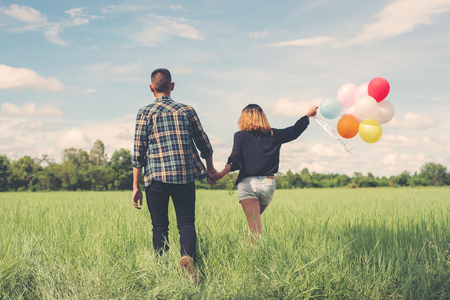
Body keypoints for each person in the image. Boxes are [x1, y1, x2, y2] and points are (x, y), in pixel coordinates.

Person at [131, 68, 216, 283]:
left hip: (156, 178)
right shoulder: (187, 110)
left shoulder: (145, 112)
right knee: (186, 222)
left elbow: (138, 152)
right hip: (184, 175)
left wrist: (135, 187)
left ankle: (160, 270)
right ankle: (188, 258)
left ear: (151, 88)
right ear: (172, 86)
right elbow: (204, 143)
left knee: (159, 226)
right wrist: (210, 168)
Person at [212, 104, 317, 244]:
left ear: (243, 119)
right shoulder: (275, 134)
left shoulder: (240, 136)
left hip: (248, 184)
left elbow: (234, 159)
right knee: (254, 223)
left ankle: (255, 260)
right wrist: (307, 115)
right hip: (268, 184)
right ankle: (251, 248)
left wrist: (221, 173)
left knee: (254, 226)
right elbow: (294, 131)